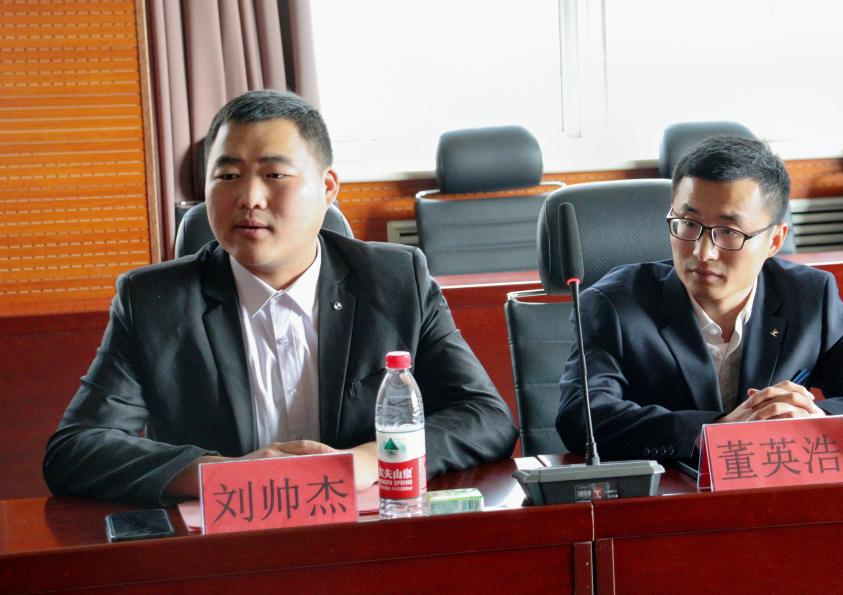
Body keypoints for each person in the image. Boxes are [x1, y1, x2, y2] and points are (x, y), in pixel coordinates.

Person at [44, 89, 517, 505]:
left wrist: (370, 459)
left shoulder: (394, 281)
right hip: (227, 551)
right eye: (227, 176)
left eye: (273, 174)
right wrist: (222, 473)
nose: (249, 197)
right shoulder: (154, 302)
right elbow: (76, 448)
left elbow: (486, 417)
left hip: (368, 537)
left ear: (327, 188)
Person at [556, 136, 843, 464]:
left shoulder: (809, 296)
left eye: (728, 232)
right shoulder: (615, 303)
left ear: (775, 240)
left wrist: (815, 418)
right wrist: (714, 431)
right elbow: (581, 416)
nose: (703, 252)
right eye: (688, 224)